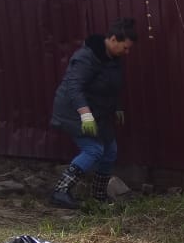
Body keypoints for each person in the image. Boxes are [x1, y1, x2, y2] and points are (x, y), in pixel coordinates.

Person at [49, 18, 137, 208]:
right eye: (125, 47)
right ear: (113, 39)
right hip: (73, 111)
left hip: (99, 112)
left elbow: (113, 85)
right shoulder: (86, 57)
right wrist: (85, 114)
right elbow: (74, 87)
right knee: (93, 150)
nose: (127, 52)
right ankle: (60, 192)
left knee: (110, 151)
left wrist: (118, 106)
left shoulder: (114, 59)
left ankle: (98, 195)